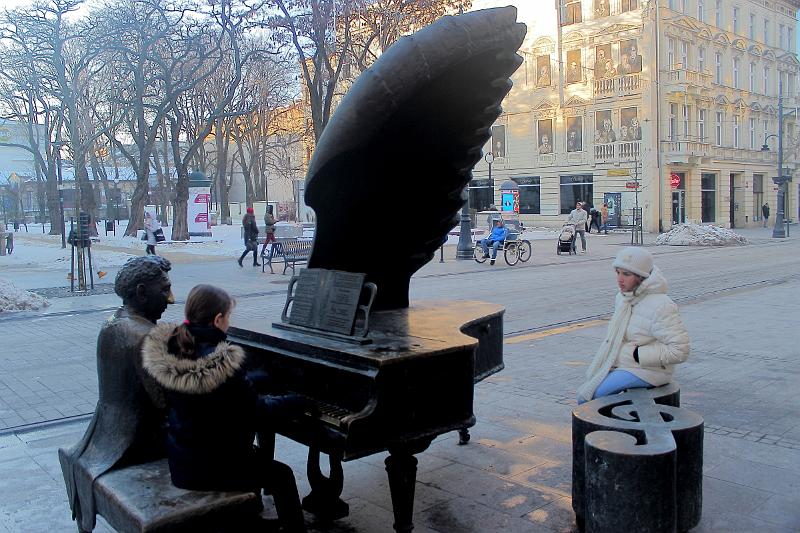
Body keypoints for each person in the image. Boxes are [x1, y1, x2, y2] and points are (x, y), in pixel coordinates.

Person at [141, 285, 306, 532]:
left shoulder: (177, 345)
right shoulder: (222, 362)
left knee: (257, 457)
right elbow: (258, 413)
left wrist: (265, 377)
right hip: (212, 467)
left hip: (183, 458)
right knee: (282, 476)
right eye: (228, 317)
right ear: (218, 319)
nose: (229, 323)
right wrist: (299, 401)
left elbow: (219, 390)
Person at [59, 256, 173, 532]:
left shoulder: (113, 322)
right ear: (142, 292)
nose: (170, 299)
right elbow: (167, 405)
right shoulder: (147, 336)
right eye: (164, 289)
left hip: (107, 433)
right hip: (137, 444)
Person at [577, 248, 689, 403]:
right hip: (623, 363)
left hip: (648, 370)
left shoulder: (661, 305)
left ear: (641, 277)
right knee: (586, 394)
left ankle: (614, 427)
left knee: (590, 398)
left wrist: (637, 355)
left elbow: (680, 350)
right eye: (618, 272)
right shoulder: (623, 298)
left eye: (626, 274)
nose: (620, 279)